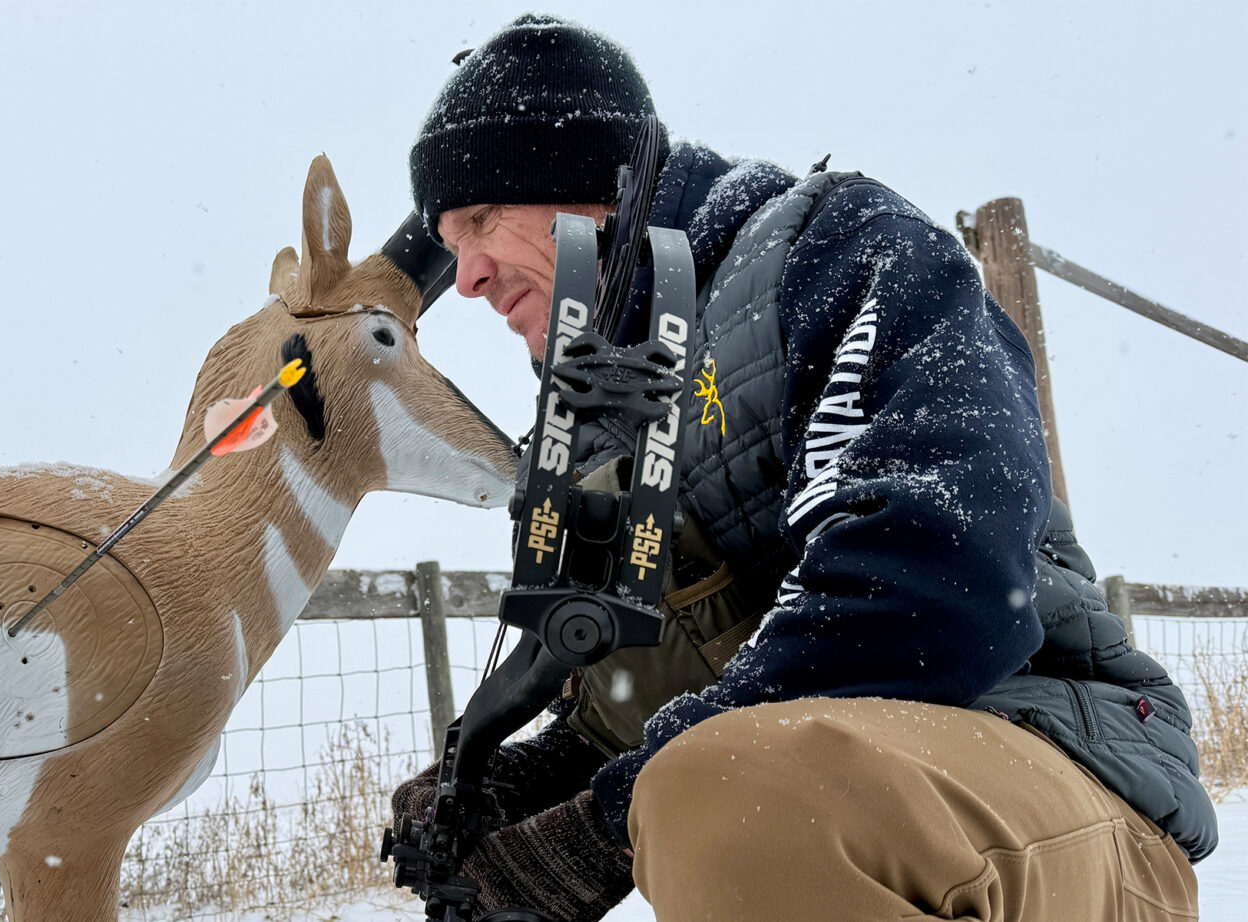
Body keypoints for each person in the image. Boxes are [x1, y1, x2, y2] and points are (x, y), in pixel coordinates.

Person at [390, 12, 1217, 922]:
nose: (465, 276)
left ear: (590, 189)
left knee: (722, 798)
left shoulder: (831, 254)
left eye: (480, 220)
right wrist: (525, 781)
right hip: (843, 809)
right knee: (713, 789)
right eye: (448, 238)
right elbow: (651, 707)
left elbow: (938, 585)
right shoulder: (607, 424)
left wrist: (615, 813)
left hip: (1059, 790)